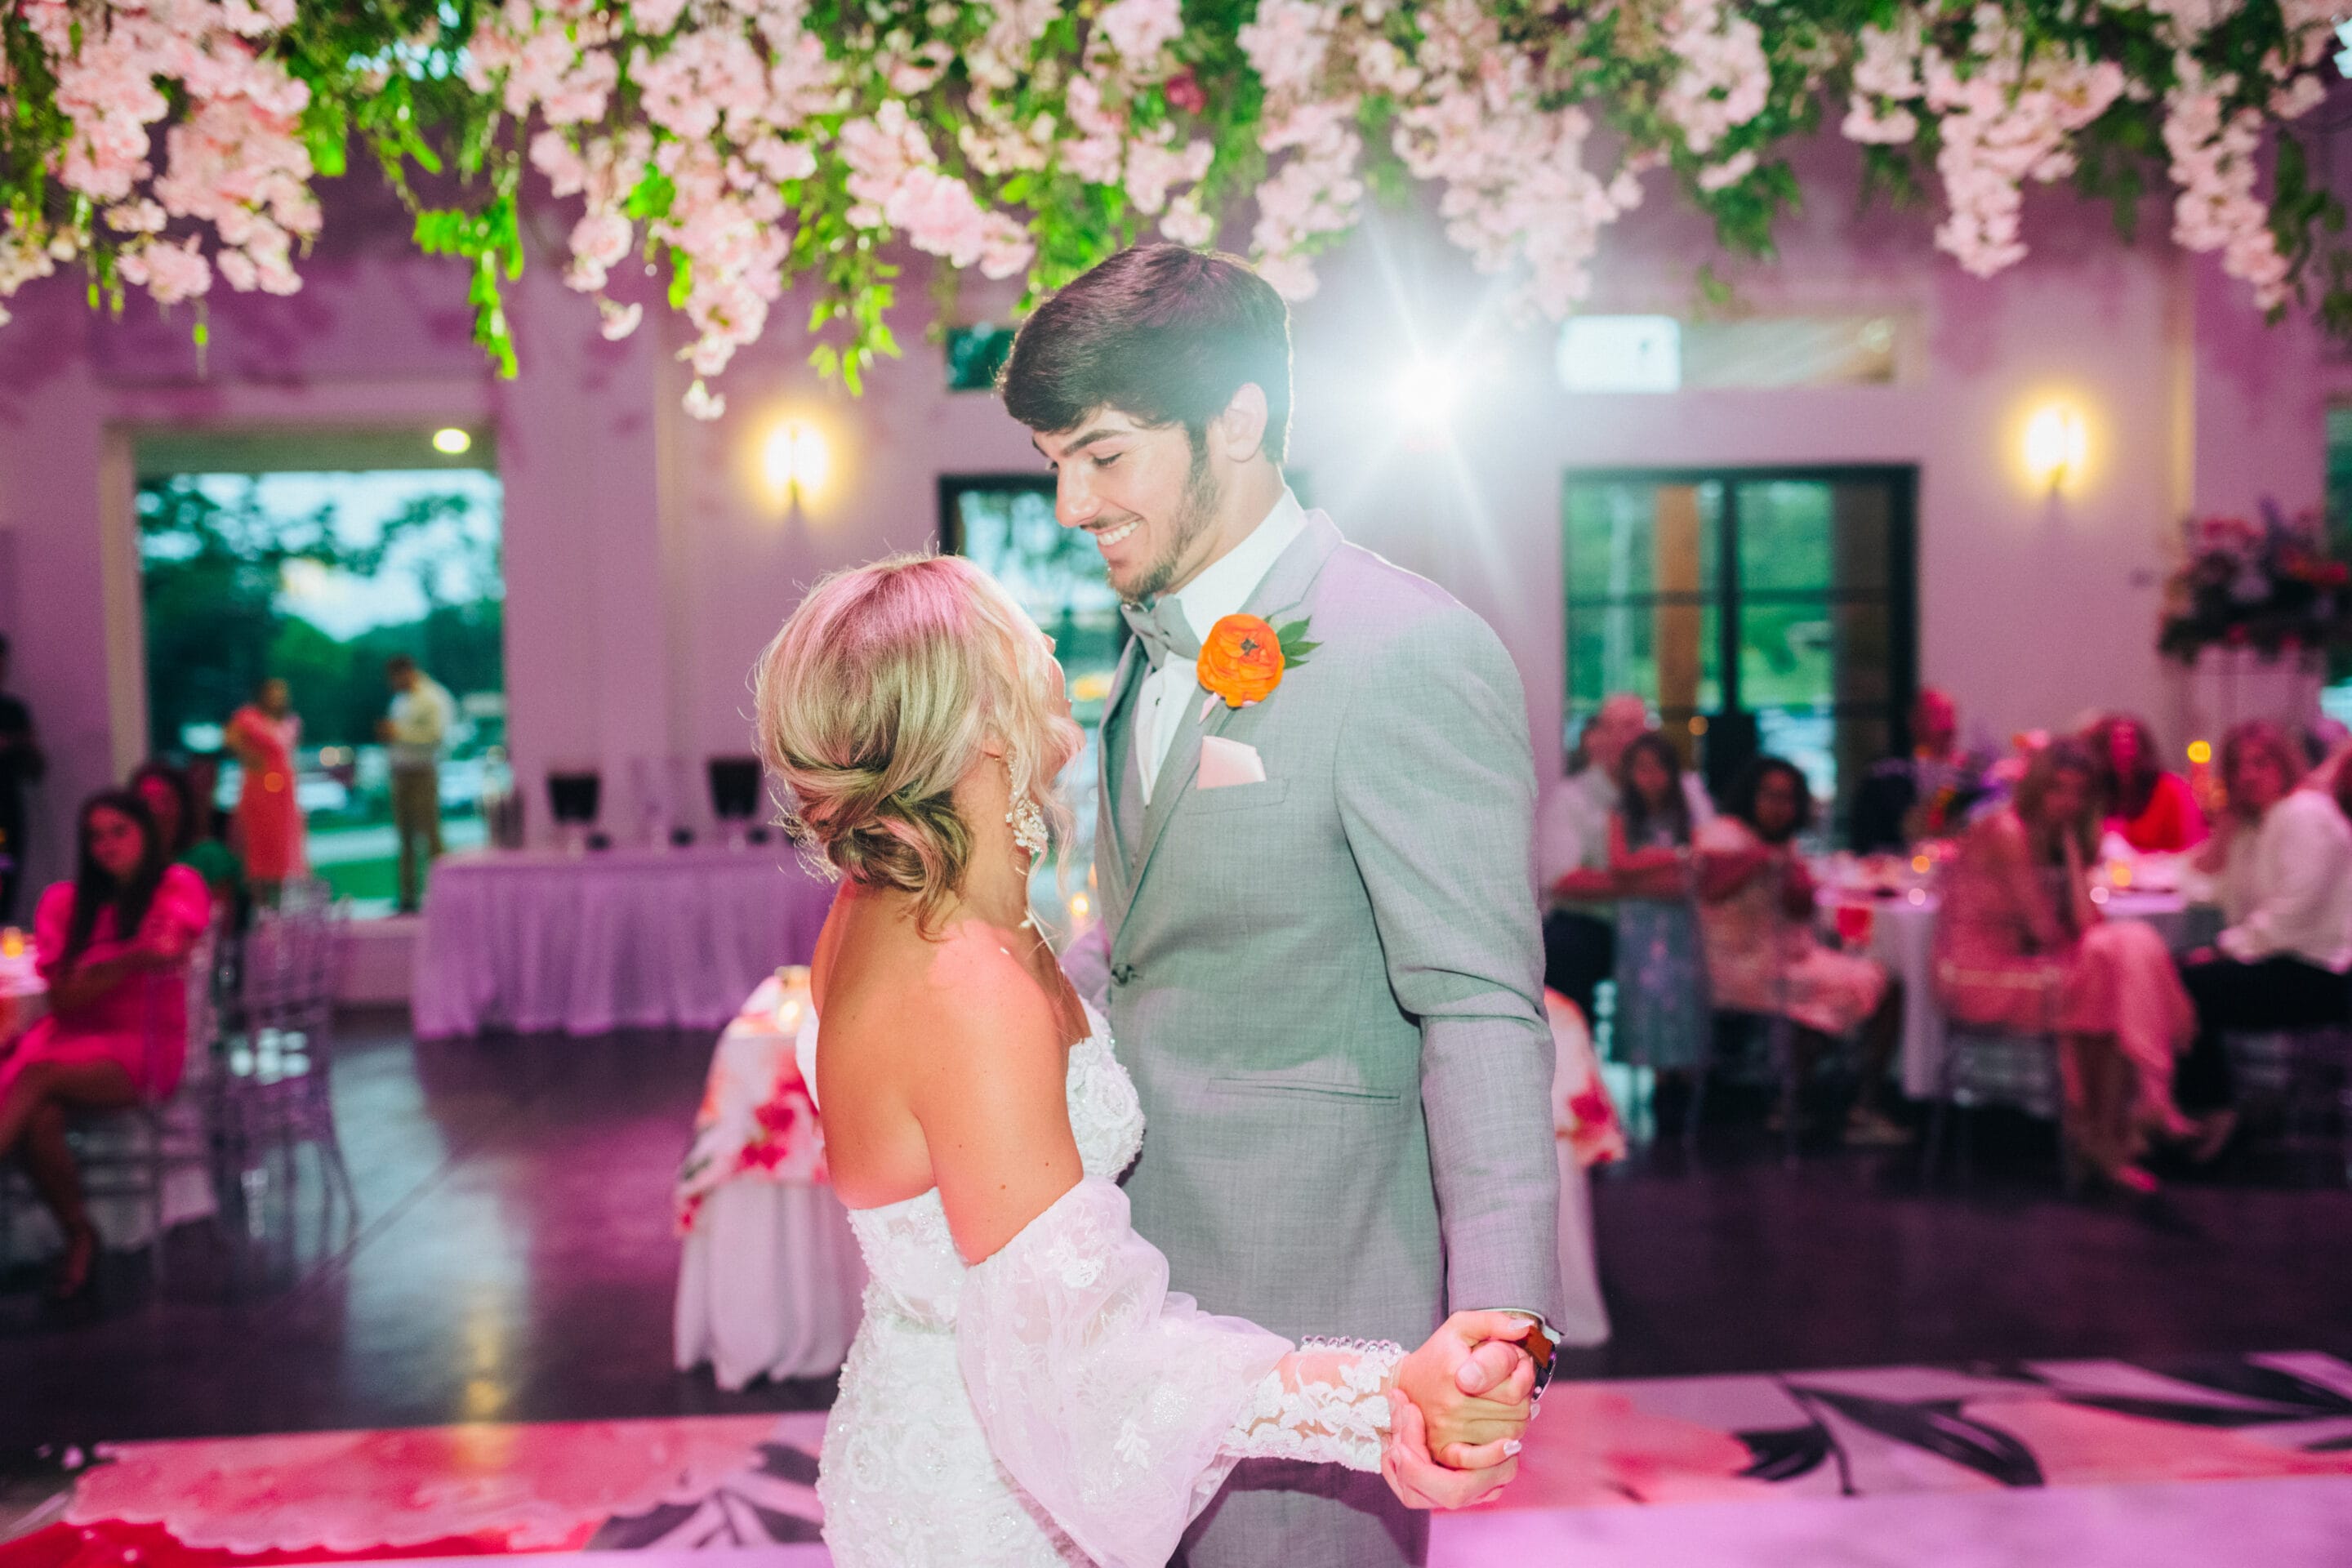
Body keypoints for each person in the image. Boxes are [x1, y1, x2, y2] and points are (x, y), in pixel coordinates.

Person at [756, 555, 1537, 1568]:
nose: (1049, 647)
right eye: (1019, 634)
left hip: (929, 1419)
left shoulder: (891, 904)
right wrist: (1376, 1401)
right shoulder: (966, 989)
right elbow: (1082, 1359)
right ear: (985, 721)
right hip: (989, 1497)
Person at [1004, 244, 1561, 1568]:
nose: (1074, 503)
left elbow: (1479, 1002)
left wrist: (1501, 1333)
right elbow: (1138, 941)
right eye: (1055, 466)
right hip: (1136, 1329)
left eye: (1103, 455)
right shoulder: (1146, 650)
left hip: (1318, 1327)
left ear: (1239, 420)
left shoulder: (1403, 649)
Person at [1935, 739, 2196, 1192]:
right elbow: (2046, 931)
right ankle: (2135, 1113)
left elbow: (2085, 926)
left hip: (2027, 968)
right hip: (1976, 976)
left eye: (2079, 793)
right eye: (2058, 790)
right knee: (2113, 967)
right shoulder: (2006, 832)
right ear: (2037, 789)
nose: (2068, 803)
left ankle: (2110, 1132)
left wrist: (2074, 849)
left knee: (2125, 950)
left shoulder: (2056, 838)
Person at [0, 791, 211, 1298]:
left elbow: (168, 948)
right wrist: (128, 958)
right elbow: (67, 1001)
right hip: (71, 1038)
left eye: (120, 831)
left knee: (34, 1075)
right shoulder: (64, 902)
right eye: (96, 835)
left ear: (145, 834)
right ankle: (80, 1235)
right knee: (39, 1112)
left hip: (145, 1043)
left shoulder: (175, 884)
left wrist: (100, 967)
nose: (107, 845)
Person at [1695, 756, 1907, 1145]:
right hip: (1738, 967)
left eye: (1787, 799)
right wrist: (1762, 860)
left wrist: (1795, 877)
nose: (1779, 807)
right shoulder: (1723, 835)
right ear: (1751, 796)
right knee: (1851, 989)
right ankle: (1828, 1103)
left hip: (1786, 958)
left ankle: (1828, 1103)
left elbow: (1800, 909)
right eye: (1770, 796)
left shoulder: (1784, 845)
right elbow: (1710, 889)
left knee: (1881, 983)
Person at [2172, 722, 2352, 1156]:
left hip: (2324, 969)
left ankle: (2212, 1110)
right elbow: (2201, 888)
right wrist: (2227, 828)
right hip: (2285, 958)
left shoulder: (2303, 815)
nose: (2247, 776)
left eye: (2260, 763)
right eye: (2237, 767)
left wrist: (2222, 950)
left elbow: (2295, 911)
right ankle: (2199, 1108)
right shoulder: (2257, 827)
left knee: (2186, 988)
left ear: (2283, 764)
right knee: (2174, 977)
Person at [1537, 693, 1713, 1027]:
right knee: (1563, 948)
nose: (1626, 739)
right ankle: (1577, 1061)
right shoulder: (1573, 797)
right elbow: (1563, 880)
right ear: (1596, 737)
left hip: (1673, 919)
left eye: (1635, 727)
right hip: (1599, 925)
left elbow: (1706, 860)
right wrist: (1654, 884)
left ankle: (1683, 1070)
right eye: (1615, 728)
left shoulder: (1686, 789)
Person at [1608, 733, 1710, 1085]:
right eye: (1642, 769)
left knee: (1680, 993)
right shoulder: (1623, 813)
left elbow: (1695, 865)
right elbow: (1620, 863)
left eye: (1658, 769)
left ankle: (1680, 1077)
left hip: (1678, 921)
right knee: (1646, 992)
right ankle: (1655, 1076)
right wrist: (1668, 857)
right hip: (1639, 921)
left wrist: (1649, 861)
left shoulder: (1684, 814)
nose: (1650, 778)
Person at [1849, 688, 1985, 854]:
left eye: (1950, 715)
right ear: (1914, 722)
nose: (1947, 724)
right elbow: (1866, 841)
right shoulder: (1885, 776)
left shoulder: (1973, 777)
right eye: (1936, 715)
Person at [380, 655, 456, 912]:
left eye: (394, 678)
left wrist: (399, 734)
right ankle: (408, 896)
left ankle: (445, 895)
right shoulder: (400, 701)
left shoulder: (433, 698)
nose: (392, 684)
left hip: (423, 772)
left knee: (430, 834)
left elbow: (437, 736)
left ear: (406, 673)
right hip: (401, 773)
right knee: (405, 838)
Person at [225, 677, 305, 902]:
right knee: (259, 848)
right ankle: (260, 905)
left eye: (281, 693)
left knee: (282, 849)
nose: (278, 698)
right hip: (259, 790)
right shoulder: (248, 718)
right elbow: (231, 741)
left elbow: (292, 754)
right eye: (273, 692)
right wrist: (248, 758)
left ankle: (278, 904)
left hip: (283, 793)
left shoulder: (291, 722)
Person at [130, 760, 243, 917]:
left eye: (165, 800)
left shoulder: (210, 856)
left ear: (183, 804)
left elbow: (218, 929)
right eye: (146, 802)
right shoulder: (129, 861)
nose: (156, 810)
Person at [2086, 711, 2205, 853]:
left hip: (2170, 869)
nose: (2123, 751)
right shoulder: (2097, 791)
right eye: (2116, 744)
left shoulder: (2171, 788)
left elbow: (2194, 845)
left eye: (2129, 744)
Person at [0, 634, 47, 921]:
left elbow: (36, 770)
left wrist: (18, 744)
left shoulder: (13, 712)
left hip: (5, 816)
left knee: (5, 888)